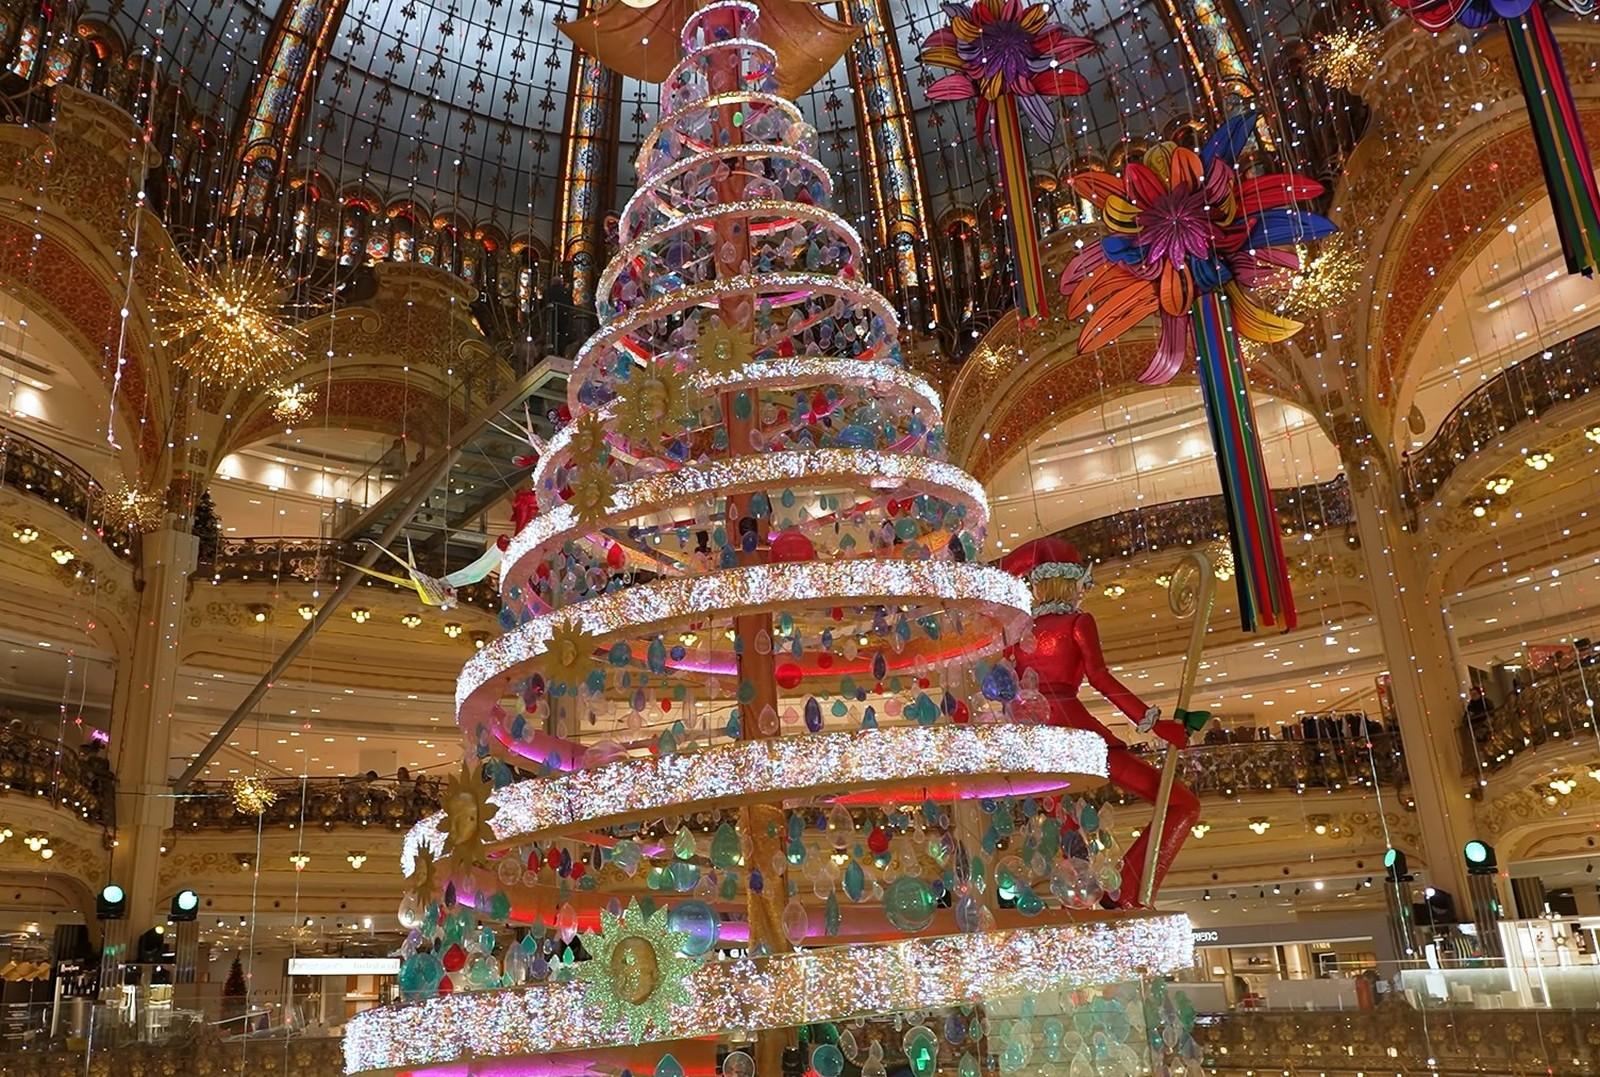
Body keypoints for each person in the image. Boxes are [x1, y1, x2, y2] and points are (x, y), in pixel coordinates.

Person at [1001, 537, 1199, 906]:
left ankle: (1104, 895)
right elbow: (1101, 678)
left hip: (1036, 739)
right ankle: (1128, 891)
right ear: (1072, 581)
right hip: (1078, 733)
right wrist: (1154, 723)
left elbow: (1005, 687)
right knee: (1182, 804)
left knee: (1067, 827)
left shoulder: (1018, 632)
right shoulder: (1078, 621)